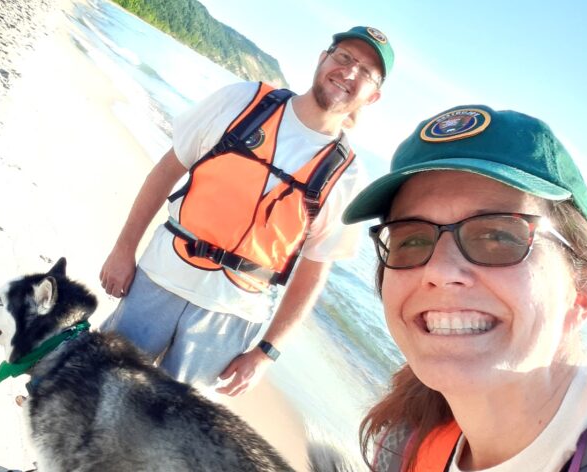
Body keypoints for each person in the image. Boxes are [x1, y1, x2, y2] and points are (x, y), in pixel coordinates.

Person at [342, 105, 587, 471]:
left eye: (498, 236)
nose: (439, 270)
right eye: (412, 239)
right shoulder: (404, 439)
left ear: (580, 295)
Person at [98, 26, 394, 396]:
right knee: (99, 388)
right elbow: (168, 169)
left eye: (366, 72)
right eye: (344, 57)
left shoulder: (347, 175)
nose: (349, 73)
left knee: (164, 430)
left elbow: (314, 270)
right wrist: (123, 249)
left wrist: (267, 352)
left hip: (230, 319)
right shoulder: (243, 101)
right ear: (323, 58)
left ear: (374, 96)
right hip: (159, 278)